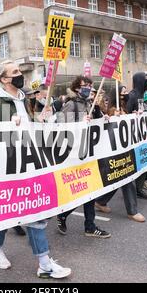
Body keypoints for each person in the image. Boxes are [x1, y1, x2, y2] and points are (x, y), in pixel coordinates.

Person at [0, 60, 71, 279]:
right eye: (15, 72)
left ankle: (45, 263)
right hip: (7, 170)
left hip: (28, 166)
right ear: (4, 79)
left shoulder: (23, 99)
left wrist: (40, 120)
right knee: (5, 215)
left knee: (36, 214)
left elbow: (29, 131)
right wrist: (9, 127)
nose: (21, 75)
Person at [56, 75, 111, 238]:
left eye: (89, 85)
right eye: (84, 85)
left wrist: (103, 119)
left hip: (90, 153)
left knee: (91, 190)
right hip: (75, 154)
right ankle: (63, 214)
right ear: (76, 88)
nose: (88, 88)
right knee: (79, 192)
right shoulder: (70, 104)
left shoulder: (90, 104)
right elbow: (64, 127)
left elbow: (96, 124)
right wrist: (81, 121)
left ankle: (90, 226)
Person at [95, 87, 145, 223]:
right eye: (122, 92)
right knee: (126, 177)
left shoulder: (123, 106)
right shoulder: (111, 109)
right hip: (114, 151)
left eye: (126, 91)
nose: (126, 94)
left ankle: (101, 201)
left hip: (124, 149)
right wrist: (113, 117)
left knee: (120, 178)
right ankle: (132, 211)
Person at [127, 72, 147, 200]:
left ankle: (139, 188)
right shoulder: (132, 96)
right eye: (145, 79)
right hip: (134, 136)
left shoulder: (142, 96)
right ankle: (135, 190)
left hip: (142, 135)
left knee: (145, 162)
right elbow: (126, 114)